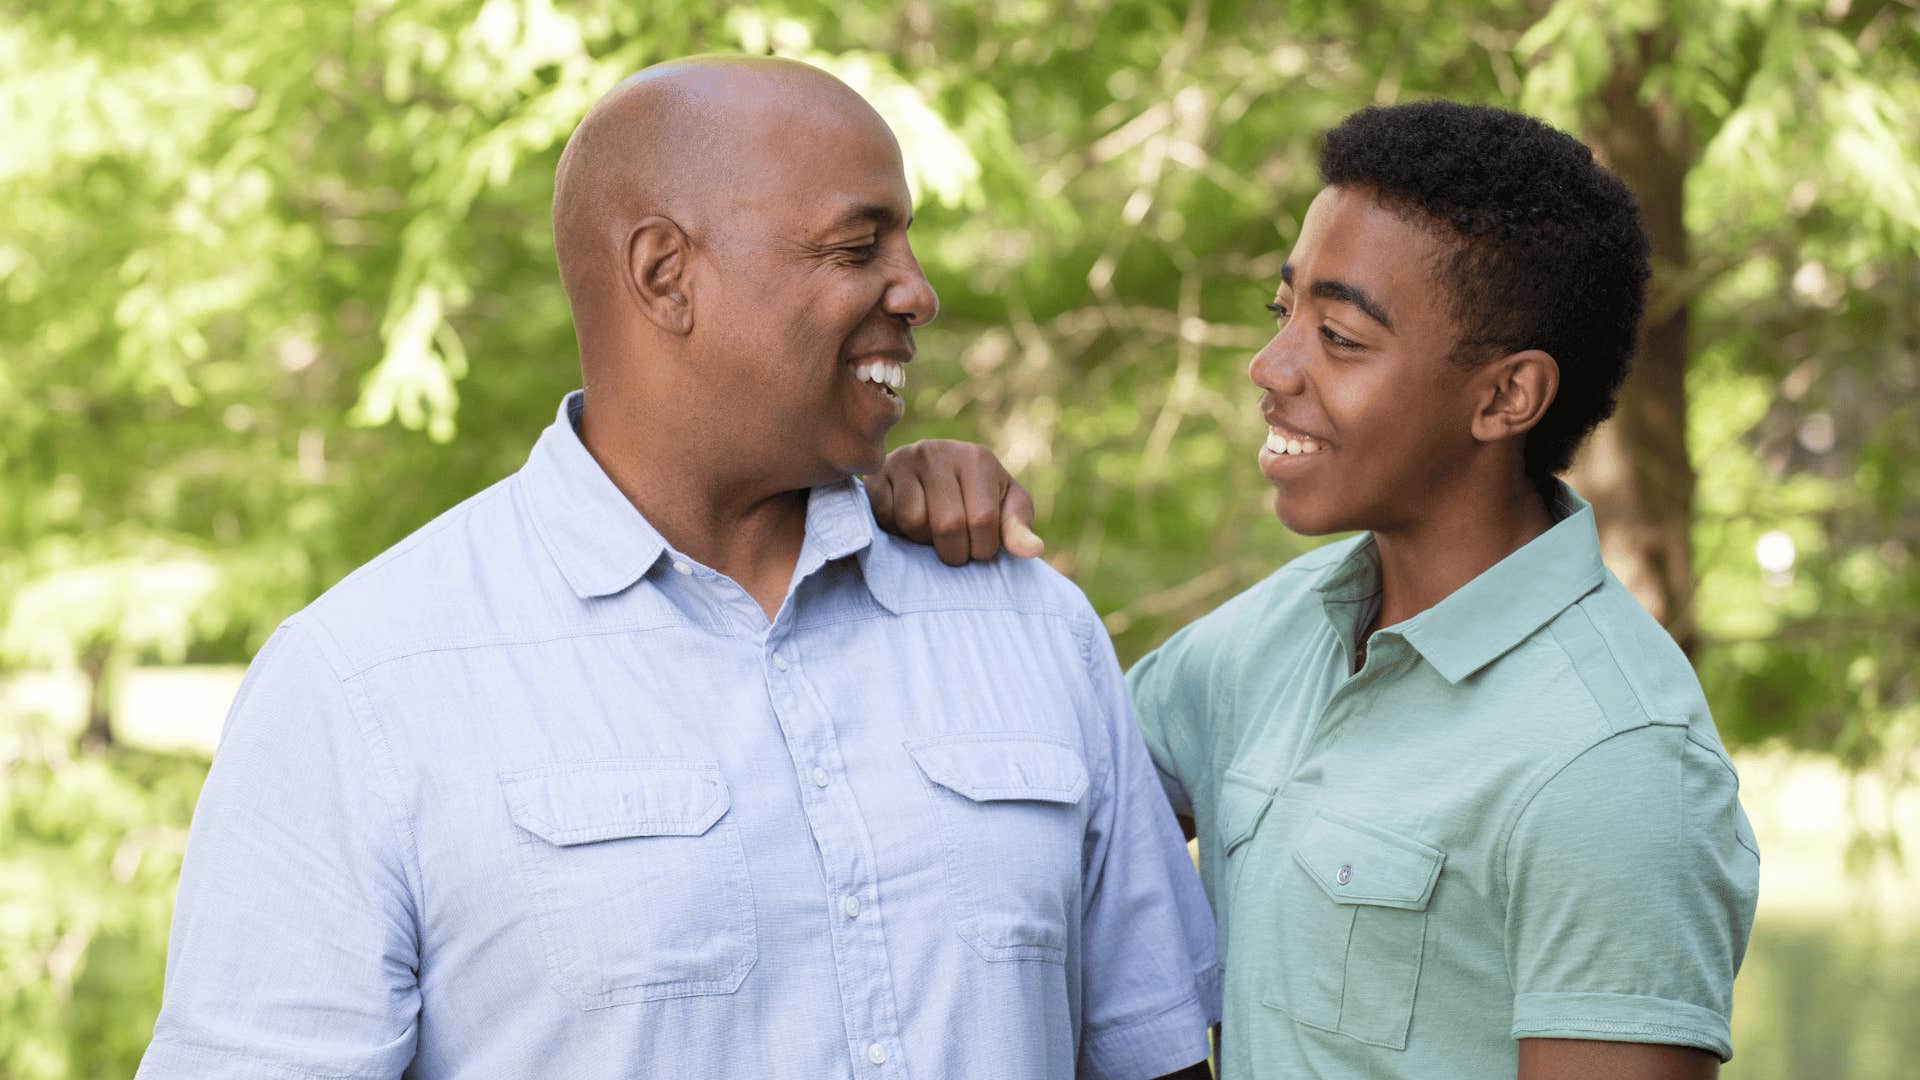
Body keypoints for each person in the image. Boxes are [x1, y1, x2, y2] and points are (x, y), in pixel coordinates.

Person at [137, 56, 1218, 1080]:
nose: (918, 292)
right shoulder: (364, 682)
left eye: (909, 246)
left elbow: (1153, 1057)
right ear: (666, 274)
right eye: (859, 248)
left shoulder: (1031, 627)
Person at [873, 101, 1760, 1079]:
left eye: (1339, 336)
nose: (1270, 365)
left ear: (1506, 396)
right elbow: (1035, 829)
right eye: (1281, 310)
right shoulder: (1264, 641)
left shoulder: (1615, 761)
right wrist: (927, 500)